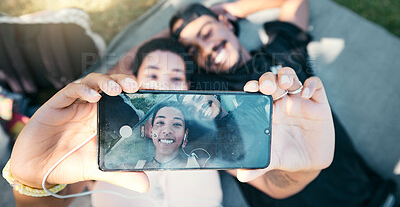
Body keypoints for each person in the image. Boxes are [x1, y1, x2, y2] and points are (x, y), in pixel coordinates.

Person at [7, 36, 335, 206]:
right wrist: (31, 179)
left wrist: (306, 166)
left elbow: (278, 187)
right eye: (152, 74)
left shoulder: (214, 137)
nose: (164, 83)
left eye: (176, 76)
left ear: (188, 88)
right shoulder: (97, 139)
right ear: (131, 80)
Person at [169, 0, 393, 205]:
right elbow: (144, 62)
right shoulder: (205, 93)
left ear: (226, 24)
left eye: (207, 33)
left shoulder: (281, 52)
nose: (206, 48)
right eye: (192, 49)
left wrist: (232, 9)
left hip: (371, 196)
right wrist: (176, 36)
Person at [145, 101, 189, 169]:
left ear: (185, 134)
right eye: (160, 122)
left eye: (177, 124)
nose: (167, 131)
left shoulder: (202, 165)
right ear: (151, 130)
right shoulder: (129, 169)